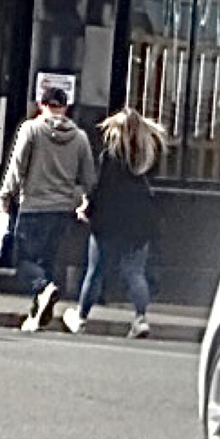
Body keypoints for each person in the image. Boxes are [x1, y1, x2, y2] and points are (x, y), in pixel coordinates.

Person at [0, 88, 96, 332]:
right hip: (62, 210)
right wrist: (82, 200)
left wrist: (4, 197)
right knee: (47, 260)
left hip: (33, 206)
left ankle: (43, 289)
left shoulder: (31, 129)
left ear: (41, 104)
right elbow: (89, 179)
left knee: (23, 260)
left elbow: (16, 167)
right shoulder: (80, 138)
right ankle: (37, 314)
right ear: (66, 107)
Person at [70, 109, 165, 339]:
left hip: (109, 222)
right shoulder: (149, 159)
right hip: (139, 224)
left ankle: (81, 317)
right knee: (135, 272)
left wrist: (86, 209)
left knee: (95, 271)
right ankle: (140, 318)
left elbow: (99, 189)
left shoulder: (110, 158)